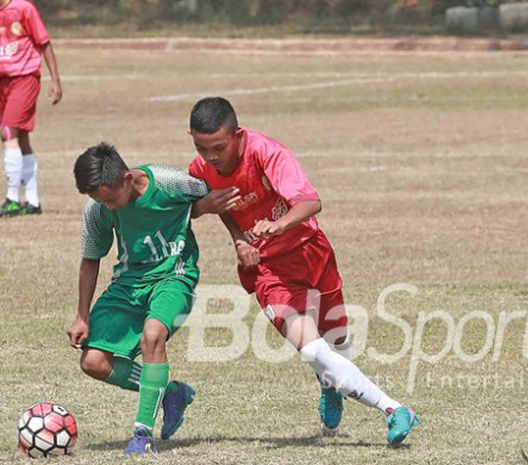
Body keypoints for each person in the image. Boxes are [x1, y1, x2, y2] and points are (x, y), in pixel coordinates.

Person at [187, 97, 419, 446]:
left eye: (219, 147)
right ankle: (395, 409)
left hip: (311, 253)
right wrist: (239, 241)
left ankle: (330, 383)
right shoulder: (199, 169)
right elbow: (217, 208)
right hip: (268, 270)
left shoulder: (267, 152)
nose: (212, 157)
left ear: (237, 134)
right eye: (201, 148)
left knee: (337, 338)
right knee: (311, 350)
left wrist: (279, 225)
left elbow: (311, 202)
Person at [68, 143, 238, 456]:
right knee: (93, 362)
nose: (108, 207)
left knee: (153, 336)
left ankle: (142, 435)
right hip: (128, 283)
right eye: (99, 201)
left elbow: (210, 196)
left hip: (174, 277)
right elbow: (91, 258)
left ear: (127, 178)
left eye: (110, 199)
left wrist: (238, 240)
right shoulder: (98, 209)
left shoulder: (167, 181)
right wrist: (82, 315)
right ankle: (171, 392)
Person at [0, 0, 61, 217]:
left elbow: (44, 42)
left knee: (8, 132)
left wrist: (55, 80)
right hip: (2, 82)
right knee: (19, 139)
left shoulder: (23, 8)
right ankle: (33, 201)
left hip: (24, 78)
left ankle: (12, 199)